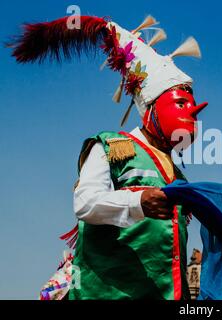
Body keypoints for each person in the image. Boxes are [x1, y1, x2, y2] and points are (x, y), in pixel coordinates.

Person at [10, 15, 207, 299]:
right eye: (180, 103)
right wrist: (138, 201)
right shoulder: (113, 146)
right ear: (151, 108)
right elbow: (85, 203)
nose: (192, 112)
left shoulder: (178, 175)